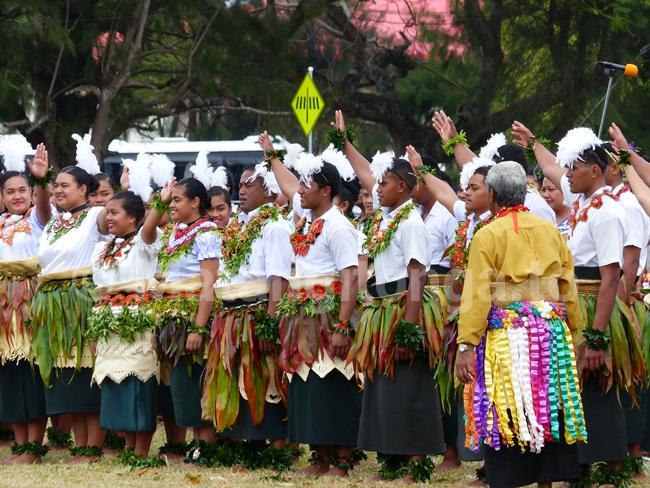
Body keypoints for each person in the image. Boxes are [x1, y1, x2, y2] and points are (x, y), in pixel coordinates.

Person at [455, 161, 586, 487]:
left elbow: (476, 294)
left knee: (511, 407)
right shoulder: (550, 230)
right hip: (551, 335)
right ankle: (546, 481)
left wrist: (466, 345)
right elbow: (568, 287)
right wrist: (578, 337)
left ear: (494, 195)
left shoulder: (488, 235)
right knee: (548, 403)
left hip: (508, 338)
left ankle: (512, 478)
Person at [348, 147, 445, 482]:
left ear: (403, 187)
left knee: (410, 384)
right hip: (382, 306)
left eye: (385, 183)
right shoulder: (384, 222)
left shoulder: (411, 222)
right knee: (386, 388)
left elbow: (416, 275)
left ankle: (417, 460)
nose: (378, 188)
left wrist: (409, 328)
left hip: (406, 306)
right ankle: (392, 457)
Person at [266, 142, 360, 477]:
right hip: (302, 313)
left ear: (326, 190)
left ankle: (344, 459)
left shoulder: (338, 226)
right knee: (307, 385)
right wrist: (272, 156)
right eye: (301, 183)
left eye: (308, 185)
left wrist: (342, 325)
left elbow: (351, 276)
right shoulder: (306, 224)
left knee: (335, 382)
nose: (301, 191)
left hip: (330, 312)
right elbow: (289, 186)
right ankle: (320, 456)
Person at [203, 162, 292, 450]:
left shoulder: (275, 226)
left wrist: (269, 325)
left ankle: (277, 449)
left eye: (249, 184)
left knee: (266, 379)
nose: (241, 189)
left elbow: (279, 278)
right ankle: (247, 444)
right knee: (236, 377)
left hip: (258, 311)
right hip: (231, 312)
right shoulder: (237, 226)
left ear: (269, 191)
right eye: (240, 184)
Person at [30, 164, 110, 462]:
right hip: (51, 302)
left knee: (87, 370)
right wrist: (39, 179)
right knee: (67, 372)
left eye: (65, 185)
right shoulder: (53, 222)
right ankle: (81, 445)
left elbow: (117, 216)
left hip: (81, 299)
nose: (58, 190)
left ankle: (94, 447)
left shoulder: (94, 217)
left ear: (83, 190)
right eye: (56, 185)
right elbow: (41, 208)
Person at [89, 190, 162, 460]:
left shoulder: (144, 243)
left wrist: (162, 202)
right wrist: (95, 332)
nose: (108, 218)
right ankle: (128, 447)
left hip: (139, 321)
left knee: (138, 384)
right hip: (109, 323)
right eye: (107, 212)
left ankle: (141, 450)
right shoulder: (101, 248)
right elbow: (99, 291)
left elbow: (151, 225)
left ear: (133, 217)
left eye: (114, 212)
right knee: (116, 385)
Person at [148, 177, 219, 445]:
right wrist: (161, 201)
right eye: (172, 200)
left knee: (197, 382)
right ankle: (196, 447)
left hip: (193, 316)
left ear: (196, 202)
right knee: (183, 385)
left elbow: (209, 283)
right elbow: (146, 233)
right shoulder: (175, 232)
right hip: (173, 314)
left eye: (177, 200)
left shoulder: (208, 233)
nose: (172, 205)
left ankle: (205, 448)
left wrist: (198, 328)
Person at [0, 144, 52, 463]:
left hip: (31, 300)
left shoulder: (37, 218)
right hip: (3, 305)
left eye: (23, 189)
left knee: (31, 372)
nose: (18, 195)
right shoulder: (1, 222)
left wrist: (43, 181)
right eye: (10, 191)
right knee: (8, 373)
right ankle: (19, 445)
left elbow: (45, 207)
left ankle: (34, 445)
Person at [431, 110, 555, 223]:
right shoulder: (489, 206)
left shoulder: (534, 205)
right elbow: (475, 169)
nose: (467, 193)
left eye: (493, 171)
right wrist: (454, 142)